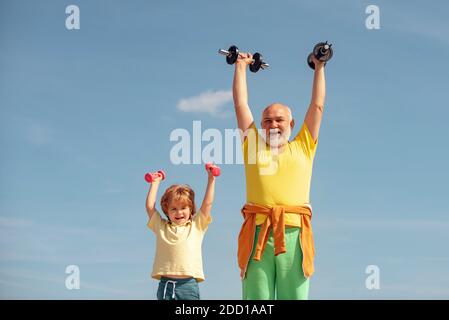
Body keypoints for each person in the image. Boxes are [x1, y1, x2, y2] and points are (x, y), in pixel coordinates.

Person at [232, 51, 327, 300]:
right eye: (267, 121)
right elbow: (241, 105)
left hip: (294, 235)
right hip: (257, 234)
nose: (273, 125)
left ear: (291, 124)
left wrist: (319, 66)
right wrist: (241, 66)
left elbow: (317, 106)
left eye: (279, 120)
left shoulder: (304, 146)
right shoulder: (252, 146)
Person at [145, 166, 216, 300]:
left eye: (183, 208)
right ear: (167, 211)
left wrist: (211, 179)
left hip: (188, 286)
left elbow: (207, 204)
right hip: (166, 285)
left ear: (191, 209)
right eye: (173, 209)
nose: (179, 212)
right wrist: (155, 182)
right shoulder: (161, 226)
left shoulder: (196, 226)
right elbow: (150, 207)